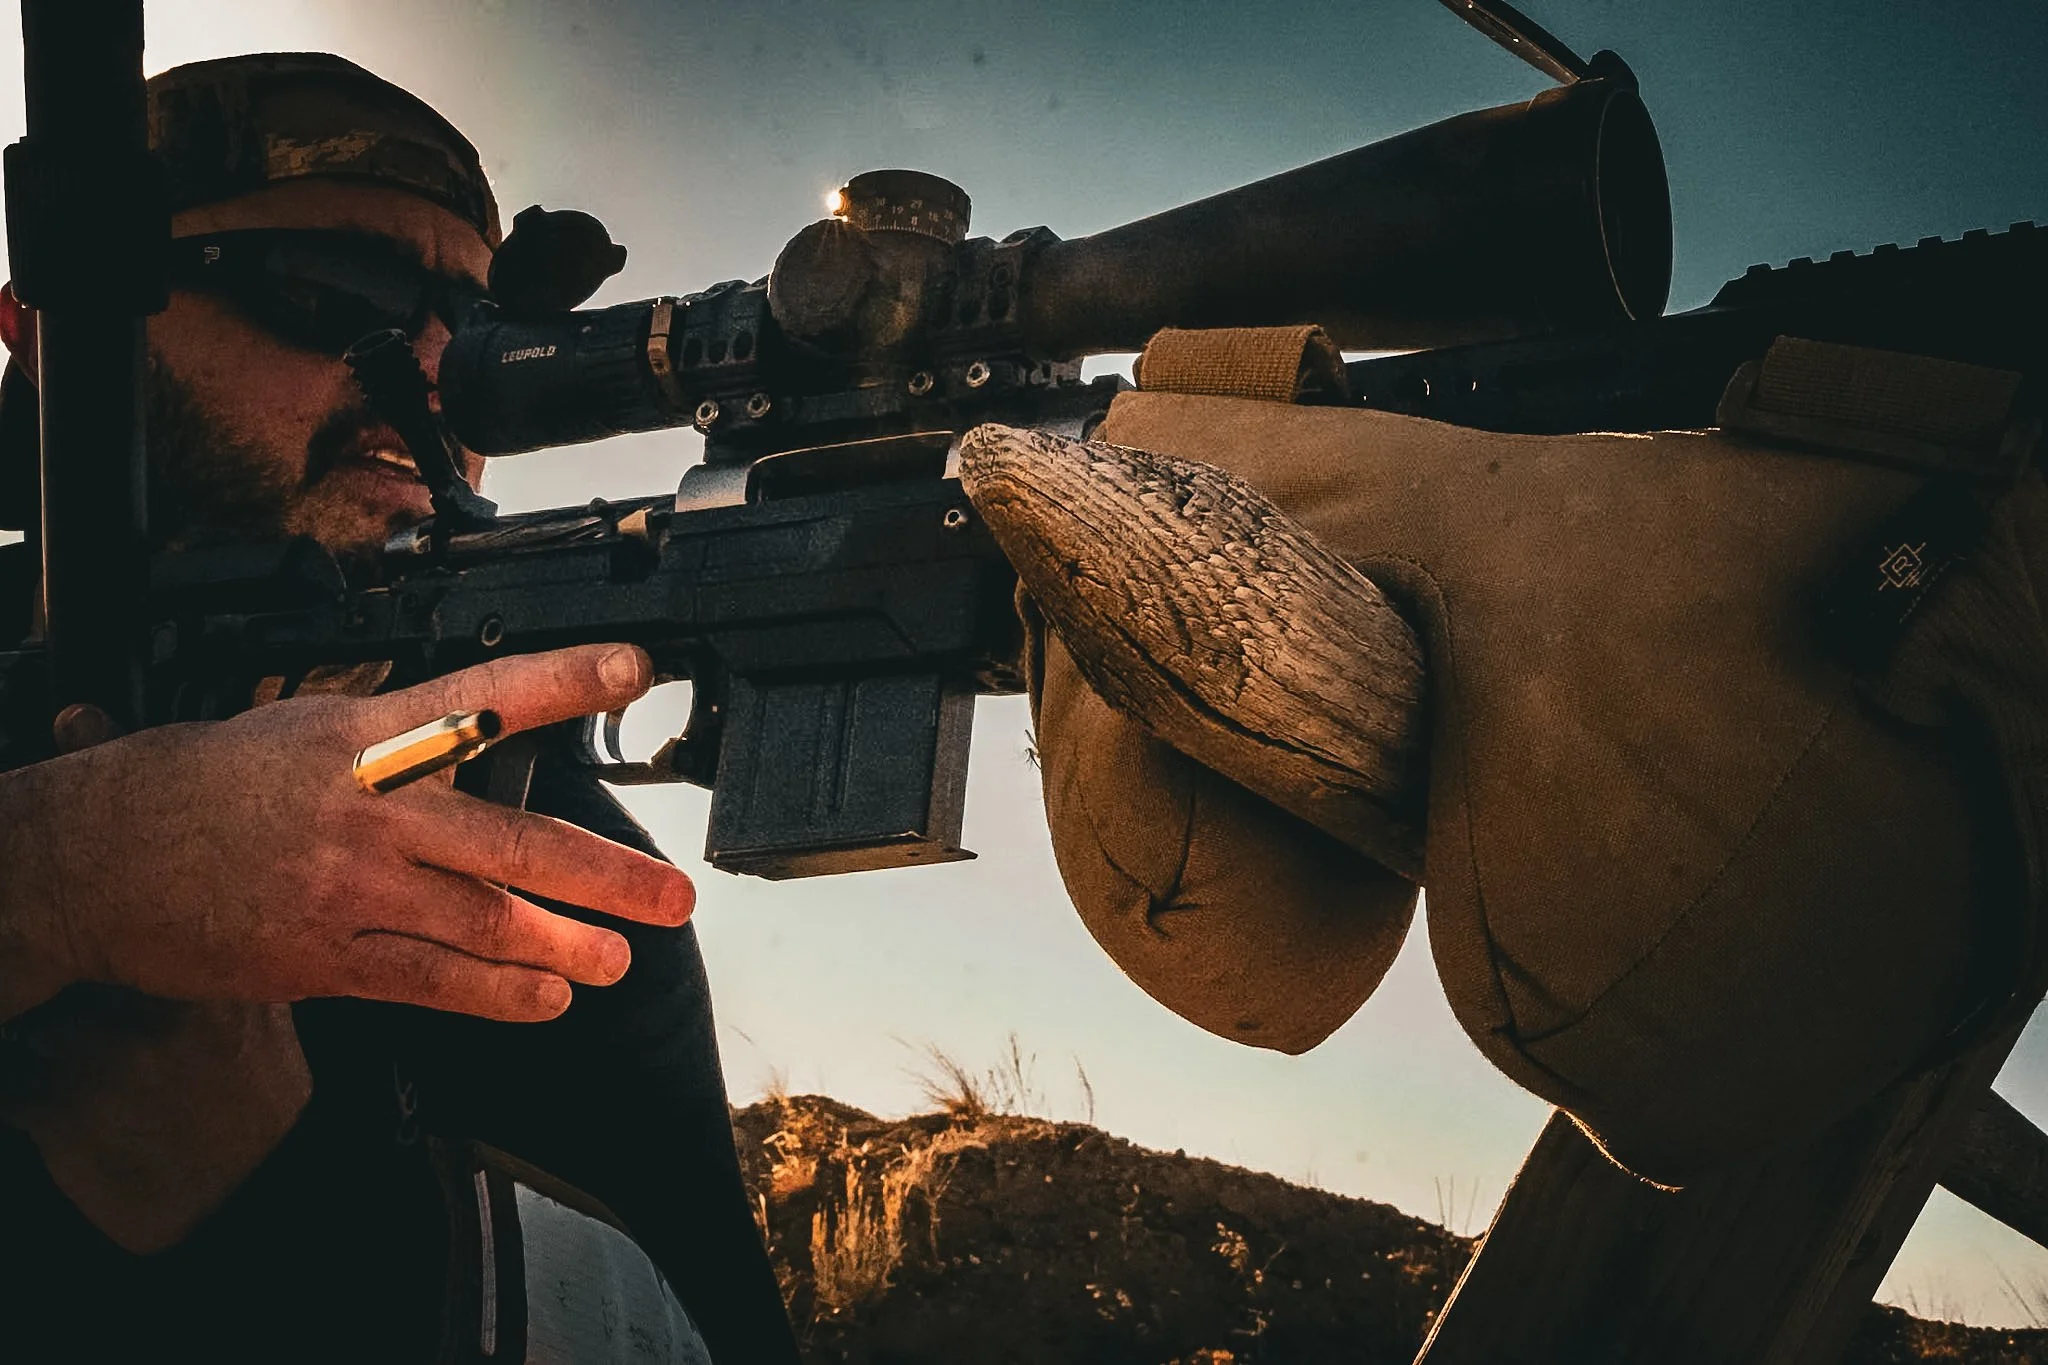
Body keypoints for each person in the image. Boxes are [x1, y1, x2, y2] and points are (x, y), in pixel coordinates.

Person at [0, 52, 802, 1362]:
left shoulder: (559, 874)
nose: (432, 376)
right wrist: (55, 880)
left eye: (478, 335)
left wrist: (274, 1195)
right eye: (330, 294)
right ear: (49, 333)